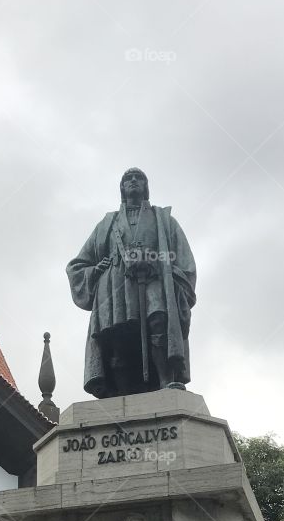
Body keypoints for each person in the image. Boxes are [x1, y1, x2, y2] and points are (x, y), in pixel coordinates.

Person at [67, 167, 197, 397]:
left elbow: (183, 260)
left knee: (159, 318)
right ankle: (122, 392)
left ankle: (167, 381)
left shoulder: (164, 220)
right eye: (128, 178)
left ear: (146, 187)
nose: (134, 181)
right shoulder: (108, 223)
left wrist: (159, 264)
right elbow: (77, 265)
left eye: (139, 178)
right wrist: (96, 270)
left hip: (154, 279)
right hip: (115, 286)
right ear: (122, 188)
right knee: (118, 335)